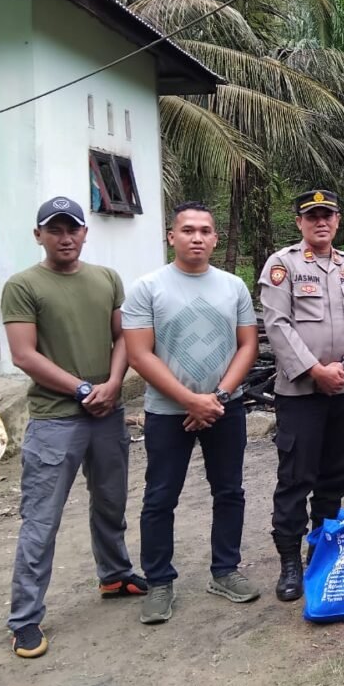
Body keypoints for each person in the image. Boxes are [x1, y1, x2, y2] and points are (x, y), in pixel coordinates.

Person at [2, 196, 145, 658]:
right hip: (55, 420)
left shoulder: (106, 279)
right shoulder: (23, 285)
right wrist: (86, 390)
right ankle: (25, 619)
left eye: (73, 229)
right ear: (38, 235)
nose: (65, 238)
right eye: (55, 229)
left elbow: (123, 336)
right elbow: (25, 354)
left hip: (107, 414)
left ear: (85, 233)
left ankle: (115, 574)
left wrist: (114, 382)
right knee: (41, 521)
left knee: (110, 502)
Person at [122, 202, 260, 625]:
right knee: (160, 497)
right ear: (171, 236)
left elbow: (248, 346)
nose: (196, 237)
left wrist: (216, 396)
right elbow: (139, 354)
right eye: (187, 230)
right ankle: (160, 581)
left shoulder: (233, 286)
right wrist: (189, 399)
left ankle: (225, 571)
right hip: (167, 412)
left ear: (215, 238)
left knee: (229, 490)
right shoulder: (147, 287)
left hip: (225, 408)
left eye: (204, 230)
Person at [259, 189, 344, 602]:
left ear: (338, 220)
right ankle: (290, 561)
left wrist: (343, 369)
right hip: (300, 393)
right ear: (300, 223)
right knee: (295, 478)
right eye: (312, 217)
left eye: (327, 215)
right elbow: (277, 324)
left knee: (335, 473)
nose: (320, 222)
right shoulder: (282, 265)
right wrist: (315, 370)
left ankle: (320, 548)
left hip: (342, 390)